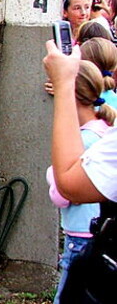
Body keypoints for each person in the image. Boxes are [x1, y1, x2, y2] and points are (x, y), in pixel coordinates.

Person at [43, 42, 117, 302]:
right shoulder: (105, 128)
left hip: (81, 235)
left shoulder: (87, 140)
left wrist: (53, 174)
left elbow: (65, 190)